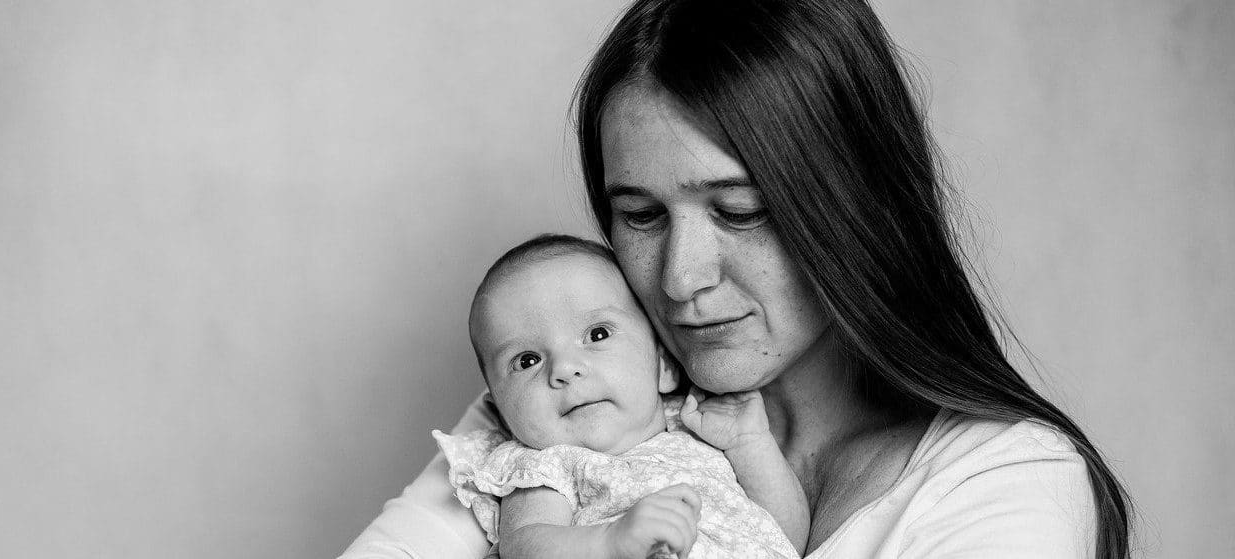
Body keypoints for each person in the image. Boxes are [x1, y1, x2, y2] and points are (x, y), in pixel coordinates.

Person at [339, 0, 1132, 558]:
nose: (680, 278)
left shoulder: (1005, 480)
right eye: (641, 216)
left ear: (855, 201)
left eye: (741, 209)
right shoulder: (564, 407)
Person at [433, 233, 803, 558]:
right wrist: (609, 543)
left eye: (597, 335)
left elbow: (787, 536)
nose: (564, 369)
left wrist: (751, 444)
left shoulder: (702, 430)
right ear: (500, 413)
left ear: (664, 366)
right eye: (527, 360)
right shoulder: (548, 465)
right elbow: (525, 546)